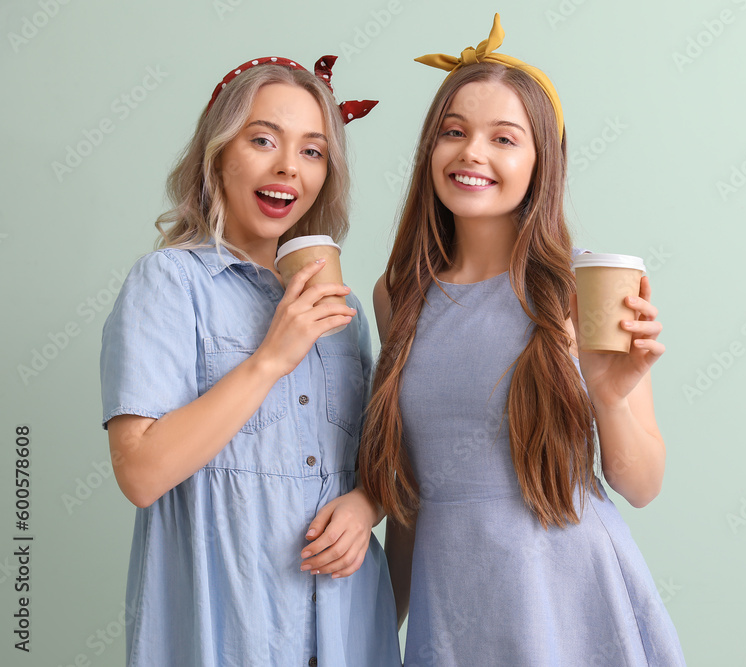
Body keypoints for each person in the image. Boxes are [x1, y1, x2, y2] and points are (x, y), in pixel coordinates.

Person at [359, 15, 687, 667]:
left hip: (572, 598)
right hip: (451, 607)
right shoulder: (397, 293)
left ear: (541, 161)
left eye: (503, 138)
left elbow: (641, 483)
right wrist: (364, 635)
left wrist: (609, 395)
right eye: (453, 132)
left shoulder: (586, 285)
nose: (471, 153)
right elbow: (412, 498)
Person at [100, 55, 400, 666]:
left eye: (313, 151)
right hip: (226, 631)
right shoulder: (168, 284)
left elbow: (379, 458)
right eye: (263, 139)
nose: (289, 166)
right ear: (217, 155)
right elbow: (141, 472)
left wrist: (369, 501)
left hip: (346, 633)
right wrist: (270, 359)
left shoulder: (342, 312)